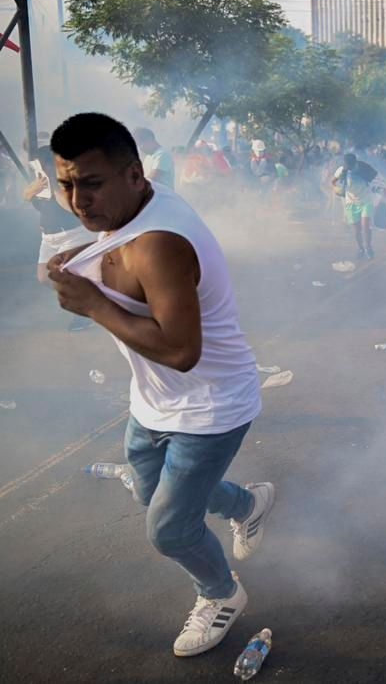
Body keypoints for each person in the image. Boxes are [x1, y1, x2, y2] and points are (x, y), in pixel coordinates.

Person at [47, 113, 274, 658]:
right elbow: (112, 246)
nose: (79, 200)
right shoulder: (136, 205)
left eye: (92, 184)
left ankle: (221, 594)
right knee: (150, 494)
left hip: (211, 408)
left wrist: (93, 303)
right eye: (68, 183)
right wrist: (83, 261)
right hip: (153, 405)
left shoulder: (159, 244)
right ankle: (247, 503)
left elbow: (180, 351)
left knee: (169, 530)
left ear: (133, 173)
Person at [22, 146, 98, 331]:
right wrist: (33, 190)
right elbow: (25, 196)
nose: (40, 169)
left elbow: (72, 209)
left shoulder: (68, 181)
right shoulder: (39, 182)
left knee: (66, 275)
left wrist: (55, 187)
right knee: (43, 277)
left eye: (43, 164)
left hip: (72, 234)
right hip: (48, 238)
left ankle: (84, 311)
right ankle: (85, 299)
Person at [333, 153, 378, 259]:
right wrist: (336, 189)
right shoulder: (341, 170)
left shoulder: (364, 168)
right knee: (357, 230)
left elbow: (376, 179)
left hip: (366, 200)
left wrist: (378, 190)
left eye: (351, 166)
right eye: (347, 165)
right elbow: (332, 182)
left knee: (366, 226)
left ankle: (368, 248)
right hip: (351, 203)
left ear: (355, 162)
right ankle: (361, 248)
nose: (349, 168)